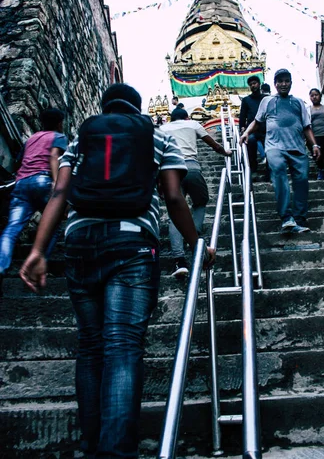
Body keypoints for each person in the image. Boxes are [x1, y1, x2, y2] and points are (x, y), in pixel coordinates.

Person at [19, 83, 215, 459]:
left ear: (105, 107)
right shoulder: (157, 138)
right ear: (137, 108)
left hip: (79, 242)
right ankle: (116, 452)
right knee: (123, 348)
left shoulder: (81, 138)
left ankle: (90, 446)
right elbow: (174, 197)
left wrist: (39, 250)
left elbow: (59, 193)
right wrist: (196, 244)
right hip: (132, 244)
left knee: (91, 346)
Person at [240, 69, 321, 234]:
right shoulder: (267, 101)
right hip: (274, 147)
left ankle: (299, 219)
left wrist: (314, 145)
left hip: (297, 147)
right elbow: (256, 121)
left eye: (287, 81)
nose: (284, 84)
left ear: (291, 82)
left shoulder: (299, 102)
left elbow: (307, 127)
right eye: (280, 81)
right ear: (275, 84)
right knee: (278, 175)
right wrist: (246, 132)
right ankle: (286, 217)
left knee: (302, 181)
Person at [0, 108, 67, 295]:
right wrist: (56, 182)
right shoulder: (58, 136)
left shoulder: (32, 139)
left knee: (12, 228)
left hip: (21, 184)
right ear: (59, 123)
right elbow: (54, 156)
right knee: (54, 224)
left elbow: (19, 161)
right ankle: (39, 264)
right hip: (43, 181)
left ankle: (1, 265)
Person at [161, 107, 231, 277]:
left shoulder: (162, 129)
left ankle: (179, 260)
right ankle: (195, 236)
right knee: (200, 201)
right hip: (190, 167)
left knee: (174, 212)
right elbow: (213, 144)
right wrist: (226, 152)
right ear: (186, 117)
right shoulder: (192, 124)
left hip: (170, 170)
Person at [239, 75, 269, 177]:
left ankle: (270, 172)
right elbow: (242, 115)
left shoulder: (266, 98)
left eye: (255, 83)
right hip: (252, 129)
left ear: (259, 84)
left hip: (266, 129)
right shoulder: (246, 100)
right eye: (251, 84)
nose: (253, 85)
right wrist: (242, 128)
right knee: (250, 142)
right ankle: (253, 169)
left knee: (269, 149)